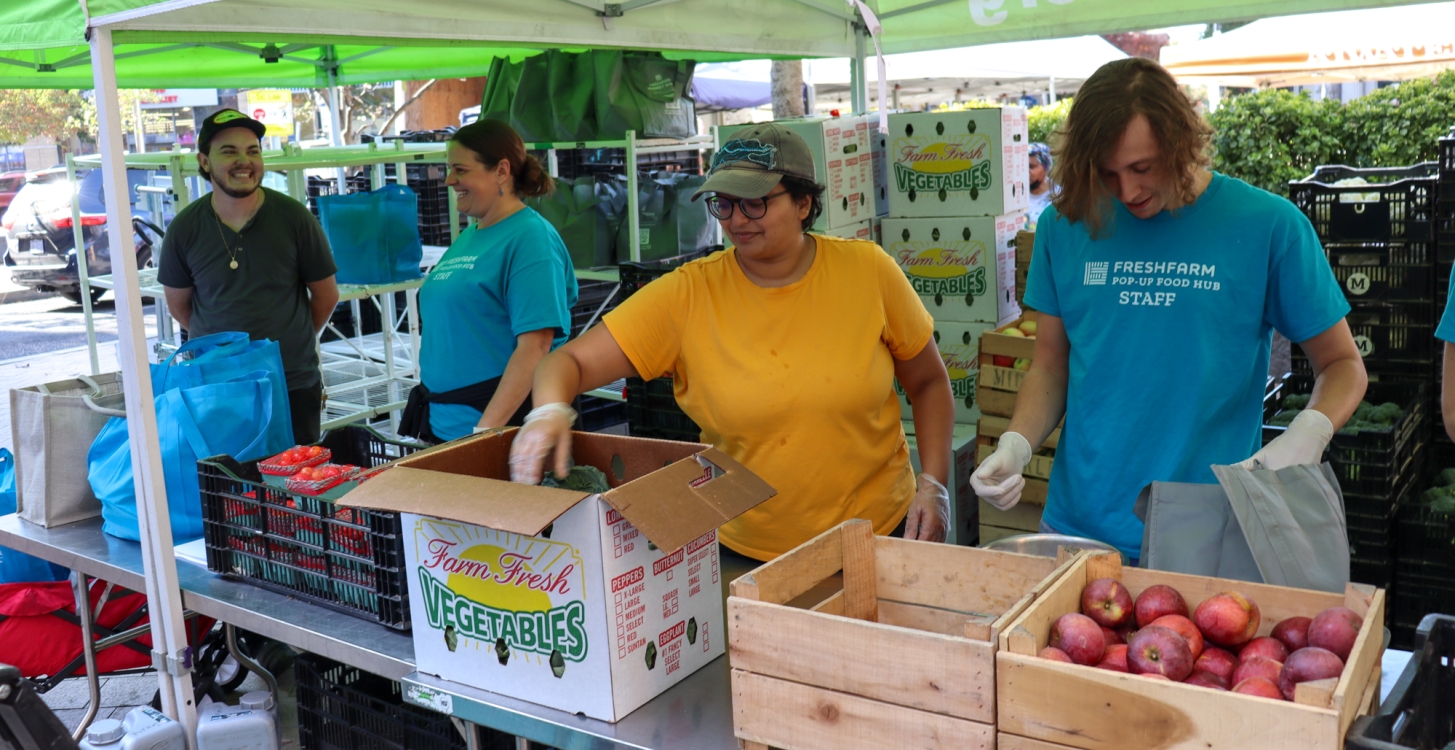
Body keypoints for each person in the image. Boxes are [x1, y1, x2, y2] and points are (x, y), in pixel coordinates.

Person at [970, 58, 1367, 563]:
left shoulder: (1270, 226)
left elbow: (1343, 365)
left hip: (1206, 535)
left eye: (1142, 168)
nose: (1128, 191)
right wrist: (1016, 443)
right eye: (1108, 173)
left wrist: (1310, 430)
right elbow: (1050, 363)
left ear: (1182, 140)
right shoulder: (1065, 225)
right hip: (1076, 528)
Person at [507, 122, 956, 561]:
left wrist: (934, 481)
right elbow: (567, 364)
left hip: (879, 536)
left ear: (803, 203)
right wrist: (548, 410)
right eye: (724, 204)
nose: (737, 219)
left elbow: (930, 383)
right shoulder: (688, 295)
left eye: (755, 203)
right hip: (747, 553)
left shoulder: (867, 272)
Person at [160, 109, 340, 445]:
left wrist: (290, 340)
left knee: (294, 488)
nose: (244, 160)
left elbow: (327, 296)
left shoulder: (295, 218)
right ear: (204, 161)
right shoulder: (184, 228)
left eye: (252, 150)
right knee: (226, 490)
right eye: (229, 151)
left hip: (290, 383)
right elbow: (181, 308)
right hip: (216, 386)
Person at [397, 119, 577, 443]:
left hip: (499, 434)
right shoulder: (471, 234)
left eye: (461, 170)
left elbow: (535, 346)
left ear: (501, 171)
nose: (450, 180)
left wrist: (484, 434)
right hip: (444, 426)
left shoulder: (531, 239)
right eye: (449, 169)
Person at [1027, 142, 1058, 227]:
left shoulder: (1059, 197)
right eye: (1022, 166)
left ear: (1045, 168)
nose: (1025, 171)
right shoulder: (1015, 196)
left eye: (1031, 166)